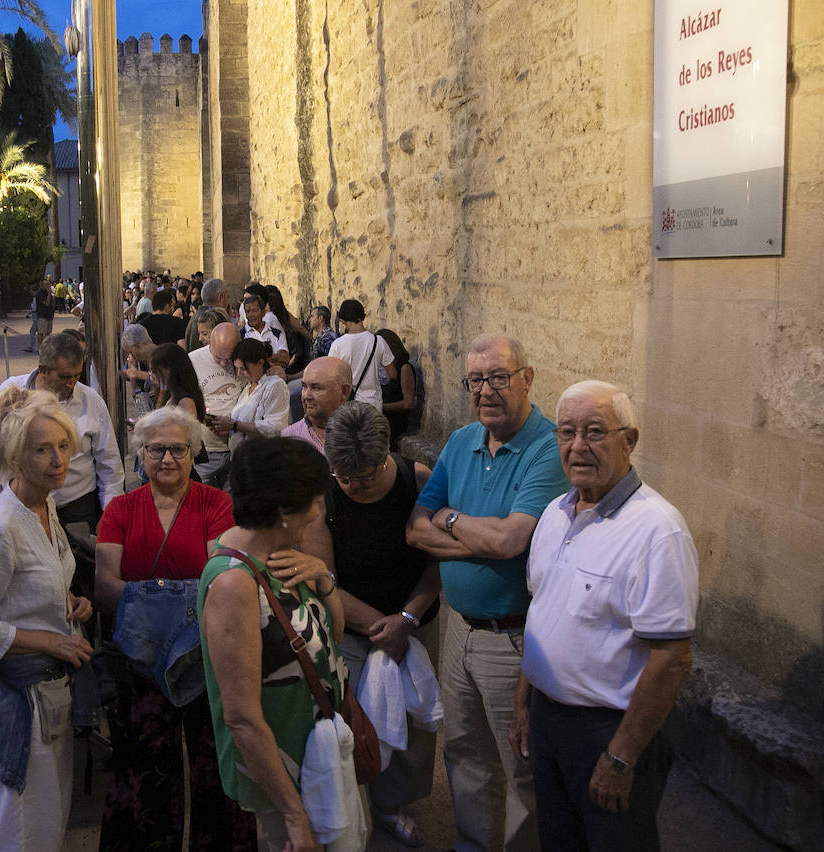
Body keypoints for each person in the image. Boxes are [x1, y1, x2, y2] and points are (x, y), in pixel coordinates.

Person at [510, 381, 698, 852]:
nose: (577, 446)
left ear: (628, 440)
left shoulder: (657, 530)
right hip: (549, 719)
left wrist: (621, 756)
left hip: (610, 730)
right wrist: (524, 704)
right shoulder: (555, 513)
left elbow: (672, 658)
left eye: (594, 432)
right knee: (558, 841)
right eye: (566, 432)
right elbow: (542, 612)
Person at [405, 334, 567, 852]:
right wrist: (481, 539)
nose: (485, 390)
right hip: (459, 631)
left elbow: (511, 540)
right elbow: (416, 529)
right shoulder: (461, 441)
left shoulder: (549, 448)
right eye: (475, 380)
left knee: (521, 766)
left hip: (513, 639)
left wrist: (451, 519)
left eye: (498, 377)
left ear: (527, 378)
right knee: (464, 753)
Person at [92, 409, 258, 850]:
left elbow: (221, 579)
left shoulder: (216, 504)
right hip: (140, 663)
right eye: (157, 449)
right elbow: (104, 586)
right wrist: (182, 600)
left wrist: (146, 599)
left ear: (193, 452)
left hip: (205, 658)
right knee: (144, 765)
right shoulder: (120, 508)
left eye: (178, 449)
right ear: (141, 454)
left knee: (213, 761)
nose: (167, 459)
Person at [0, 386, 95, 852]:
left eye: (63, 446)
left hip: (53, 690)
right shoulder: (1, 527)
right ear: (15, 458)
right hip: (23, 696)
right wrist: (52, 641)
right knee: (25, 824)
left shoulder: (44, 505)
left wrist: (70, 600)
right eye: (42, 450)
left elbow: (40, 578)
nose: (59, 460)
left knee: (48, 813)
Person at [198, 437, 351, 852]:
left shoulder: (283, 553)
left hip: (317, 754)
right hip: (284, 773)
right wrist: (294, 816)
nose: (318, 512)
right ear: (284, 511)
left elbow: (334, 635)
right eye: (314, 502)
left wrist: (323, 578)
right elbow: (242, 717)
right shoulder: (235, 583)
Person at [300, 401, 439, 847]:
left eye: (366, 476)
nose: (355, 486)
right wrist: (385, 627)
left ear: (386, 456)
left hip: (414, 620)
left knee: (412, 720)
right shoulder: (322, 495)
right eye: (345, 477)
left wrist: (408, 618)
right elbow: (323, 579)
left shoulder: (417, 480)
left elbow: (439, 561)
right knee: (358, 721)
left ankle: (396, 803)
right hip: (351, 626)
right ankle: (359, 804)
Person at [0, 333, 125, 536]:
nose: (71, 384)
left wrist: (111, 514)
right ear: (43, 370)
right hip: (24, 506)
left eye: (76, 376)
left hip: (78, 508)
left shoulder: (91, 400)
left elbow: (109, 463)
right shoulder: (11, 394)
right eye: (64, 377)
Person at [211, 338, 289, 453]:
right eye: (237, 368)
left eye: (243, 369)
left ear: (260, 363)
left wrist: (235, 425)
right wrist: (226, 428)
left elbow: (275, 427)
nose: (239, 373)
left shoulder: (274, 385)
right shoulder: (248, 387)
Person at [189, 322, 243, 488]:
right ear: (209, 344)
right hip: (205, 451)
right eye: (218, 358)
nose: (224, 364)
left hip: (236, 450)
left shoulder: (246, 359)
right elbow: (183, 400)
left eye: (229, 359)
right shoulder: (193, 360)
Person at [328, 300, 397, 409]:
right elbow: (393, 374)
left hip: (348, 405)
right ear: (363, 317)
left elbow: (331, 377)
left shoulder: (337, 345)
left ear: (342, 320)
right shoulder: (378, 341)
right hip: (373, 404)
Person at [281, 356, 353, 453]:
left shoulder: (365, 436)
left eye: (316, 388)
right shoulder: (288, 439)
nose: (306, 396)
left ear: (344, 391)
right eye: (304, 387)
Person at [377, 328, 418, 448]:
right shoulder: (383, 369)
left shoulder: (404, 368)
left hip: (394, 419)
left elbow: (408, 403)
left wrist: (381, 406)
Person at [150, 342, 207, 422]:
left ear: (169, 370)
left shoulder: (186, 402)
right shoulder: (172, 395)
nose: (152, 376)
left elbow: (189, 429)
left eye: (155, 371)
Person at [241, 293, 289, 366]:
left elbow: (285, 359)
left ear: (263, 312)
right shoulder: (241, 336)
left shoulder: (277, 333)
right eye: (247, 311)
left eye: (254, 310)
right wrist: (274, 359)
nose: (250, 315)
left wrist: (259, 361)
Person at [185, 279, 231, 351]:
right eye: (227, 297)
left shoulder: (198, 316)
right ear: (220, 297)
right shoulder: (206, 320)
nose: (228, 303)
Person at [27, 278, 55, 353]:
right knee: (41, 333)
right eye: (46, 284)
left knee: (48, 333)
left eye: (49, 284)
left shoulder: (49, 293)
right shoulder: (40, 294)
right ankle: (40, 348)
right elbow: (47, 303)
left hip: (49, 316)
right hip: (42, 316)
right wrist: (49, 293)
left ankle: (46, 348)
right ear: (42, 285)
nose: (48, 286)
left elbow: (51, 304)